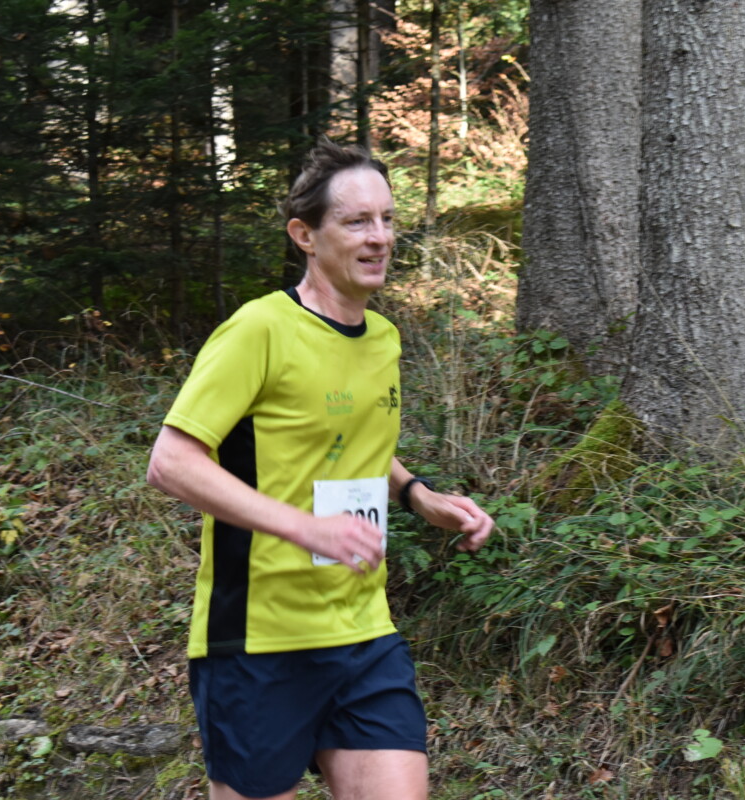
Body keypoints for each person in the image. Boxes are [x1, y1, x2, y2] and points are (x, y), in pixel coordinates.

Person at [147, 138, 494, 800]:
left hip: (363, 632)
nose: (379, 237)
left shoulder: (383, 339)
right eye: (357, 221)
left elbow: (350, 441)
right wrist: (304, 527)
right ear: (304, 235)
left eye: (387, 219)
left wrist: (417, 495)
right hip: (258, 640)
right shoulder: (259, 329)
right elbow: (171, 462)